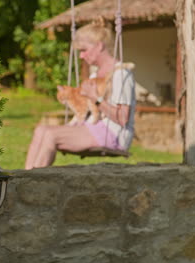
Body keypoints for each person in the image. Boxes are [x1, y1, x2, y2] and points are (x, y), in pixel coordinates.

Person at [24, 18, 136, 170]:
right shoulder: (94, 74)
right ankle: (22, 178)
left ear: (99, 46)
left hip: (114, 134)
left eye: (84, 50)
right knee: (41, 130)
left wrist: (96, 99)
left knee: (51, 135)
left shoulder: (121, 74)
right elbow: (88, 111)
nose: (81, 56)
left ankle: (31, 185)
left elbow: (123, 119)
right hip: (95, 127)